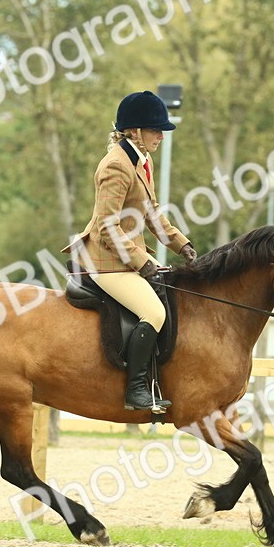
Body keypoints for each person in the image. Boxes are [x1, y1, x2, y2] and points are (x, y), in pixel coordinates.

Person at [61, 91, 196, 413]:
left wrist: (181, 243)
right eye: (155, 130)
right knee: (155, 313)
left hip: (126, 254)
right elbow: (106, 227)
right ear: (134, 131)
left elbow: (150, 213)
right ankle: (136, 390)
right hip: (107, 261)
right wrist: (141, 262)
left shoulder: (140, 160)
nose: (161, 136)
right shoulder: (116, 166)